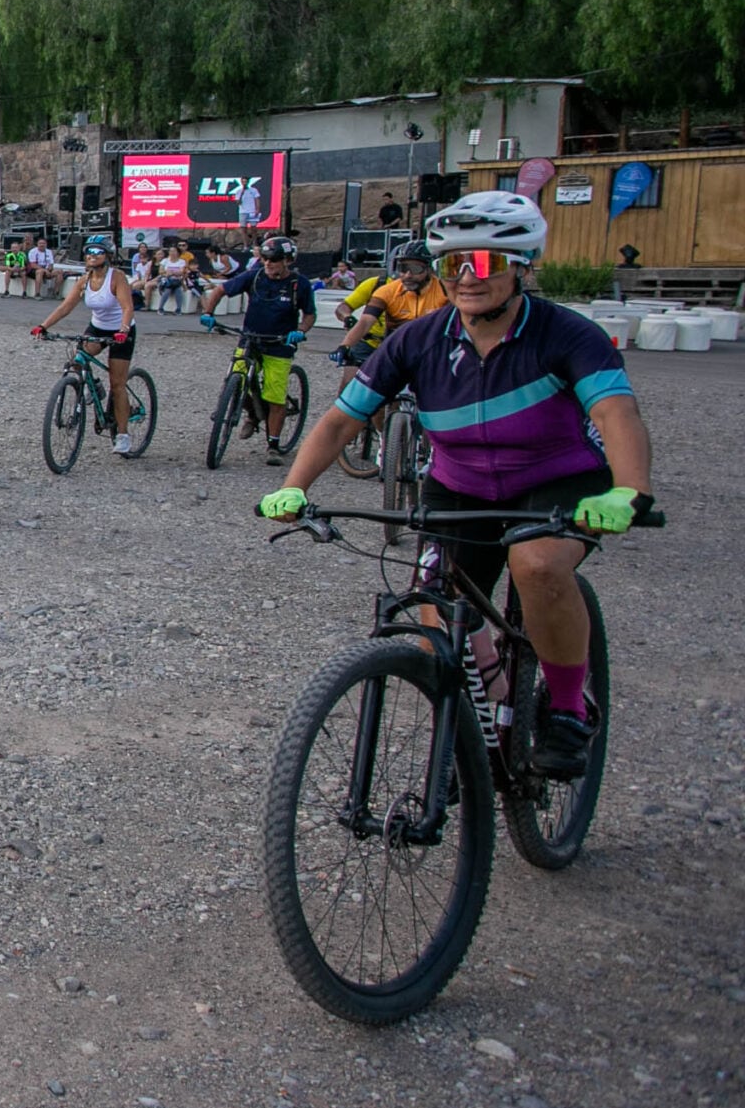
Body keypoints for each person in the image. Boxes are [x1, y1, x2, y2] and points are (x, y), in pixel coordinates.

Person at [261, 192, 654, 780]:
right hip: (460, 483)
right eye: (454, 265)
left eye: (488, 263)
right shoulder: (418, 340)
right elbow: (344, 418)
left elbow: (616, 416)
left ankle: (569, 708)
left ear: (521, 265)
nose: (468, 278)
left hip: (557, 479)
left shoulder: (567, 334)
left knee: (538, 565)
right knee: (433, 608)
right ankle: (493, 704)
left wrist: (627, 492)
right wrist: (292, 488)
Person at [201, 234, 319, 464]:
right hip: (250, 339)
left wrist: (301, 331)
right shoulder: (253, 277)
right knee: (234, 380)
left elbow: (310, 314)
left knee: (275, 397)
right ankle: (252, 413)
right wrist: (208, 313)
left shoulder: (299, 284)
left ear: (287, 260)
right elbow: (220, 290)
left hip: (280, 344)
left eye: (273, 259)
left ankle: (273, 445)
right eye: (265, 258)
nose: (268, 263)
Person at [32, 234, 143, 455]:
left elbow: (127, 306)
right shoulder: (84, 280)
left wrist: (123, 329)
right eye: (89, 252)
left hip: (121, 329)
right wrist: (43, 326)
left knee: (118, 383)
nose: (91, 256)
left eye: (97, 252)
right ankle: (96, 388)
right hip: (98, 326)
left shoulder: (117, 277)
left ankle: (122, 435)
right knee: (77, 360)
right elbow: (66, 307)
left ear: (108, 255)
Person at [330, 241, 448, 395]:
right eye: (402, 269)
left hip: (427, 348)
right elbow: (365, 321)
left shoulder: (444, 290)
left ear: (430, 269)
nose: (407, 275)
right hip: (381, 344)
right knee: (361, 393)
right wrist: (344, 346)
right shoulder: (384, 289)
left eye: (415, 269)